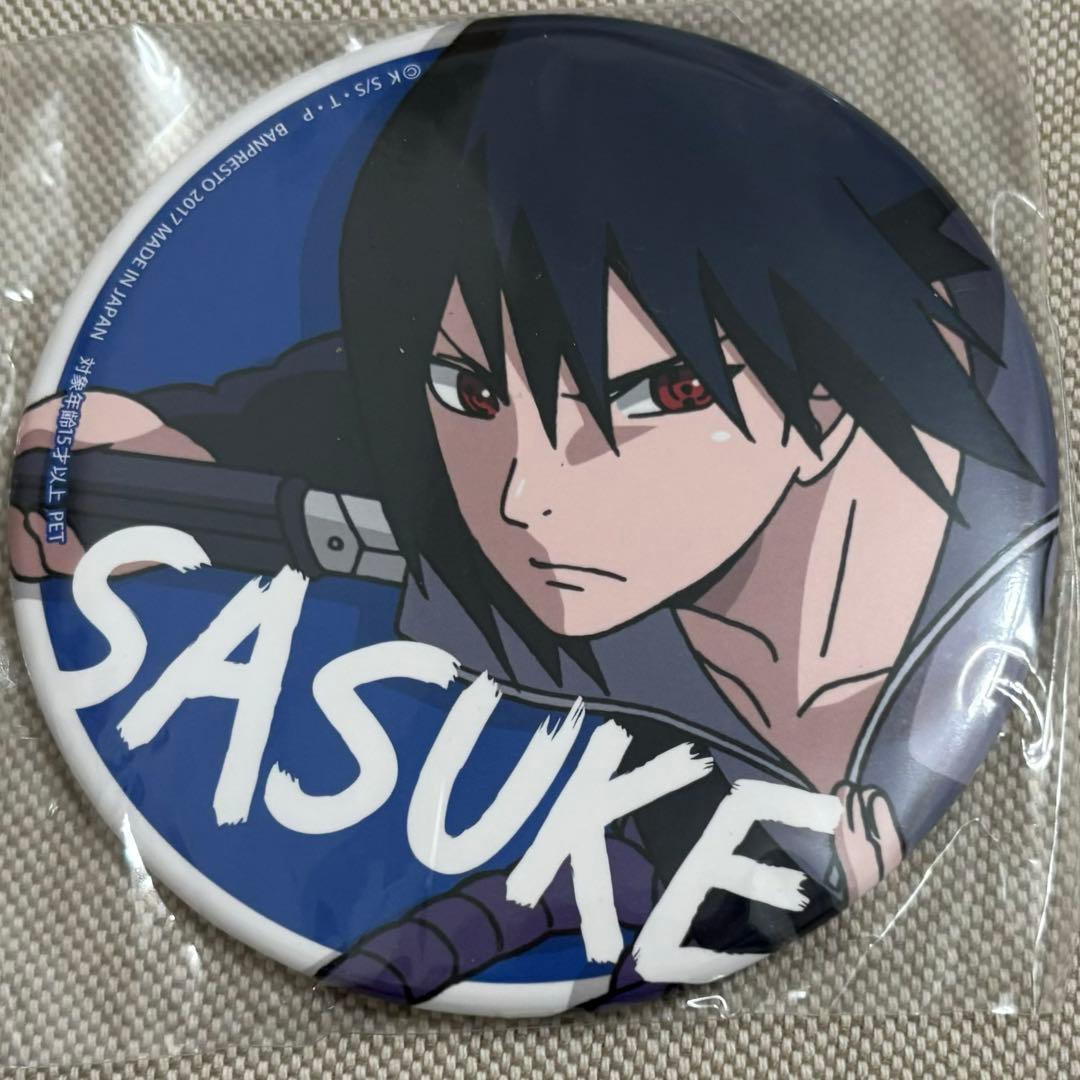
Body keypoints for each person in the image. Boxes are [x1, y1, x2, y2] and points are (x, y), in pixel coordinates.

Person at [10, 16, 1057, 1005]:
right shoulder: (505, 480)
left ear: (824, 405)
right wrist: (187, 437)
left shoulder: (967, 533)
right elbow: (390, 378)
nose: (524, 498)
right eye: (467, 393)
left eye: (655, 397)